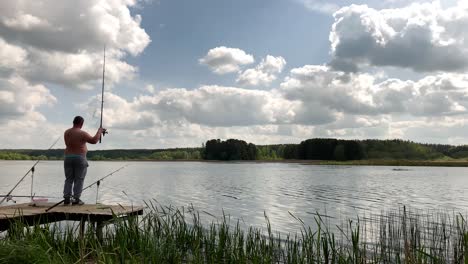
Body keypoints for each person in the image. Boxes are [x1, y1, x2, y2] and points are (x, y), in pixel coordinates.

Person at [63, 116, 105, 205]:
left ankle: (66, 198)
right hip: (80, 158)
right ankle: (76, 199)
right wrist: (99, 132)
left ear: (73, 122)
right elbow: (94, 141)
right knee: (79, 179)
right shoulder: (82, 133)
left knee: (69, 179)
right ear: (81, 124)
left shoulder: (66, 132)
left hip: (68, 158)